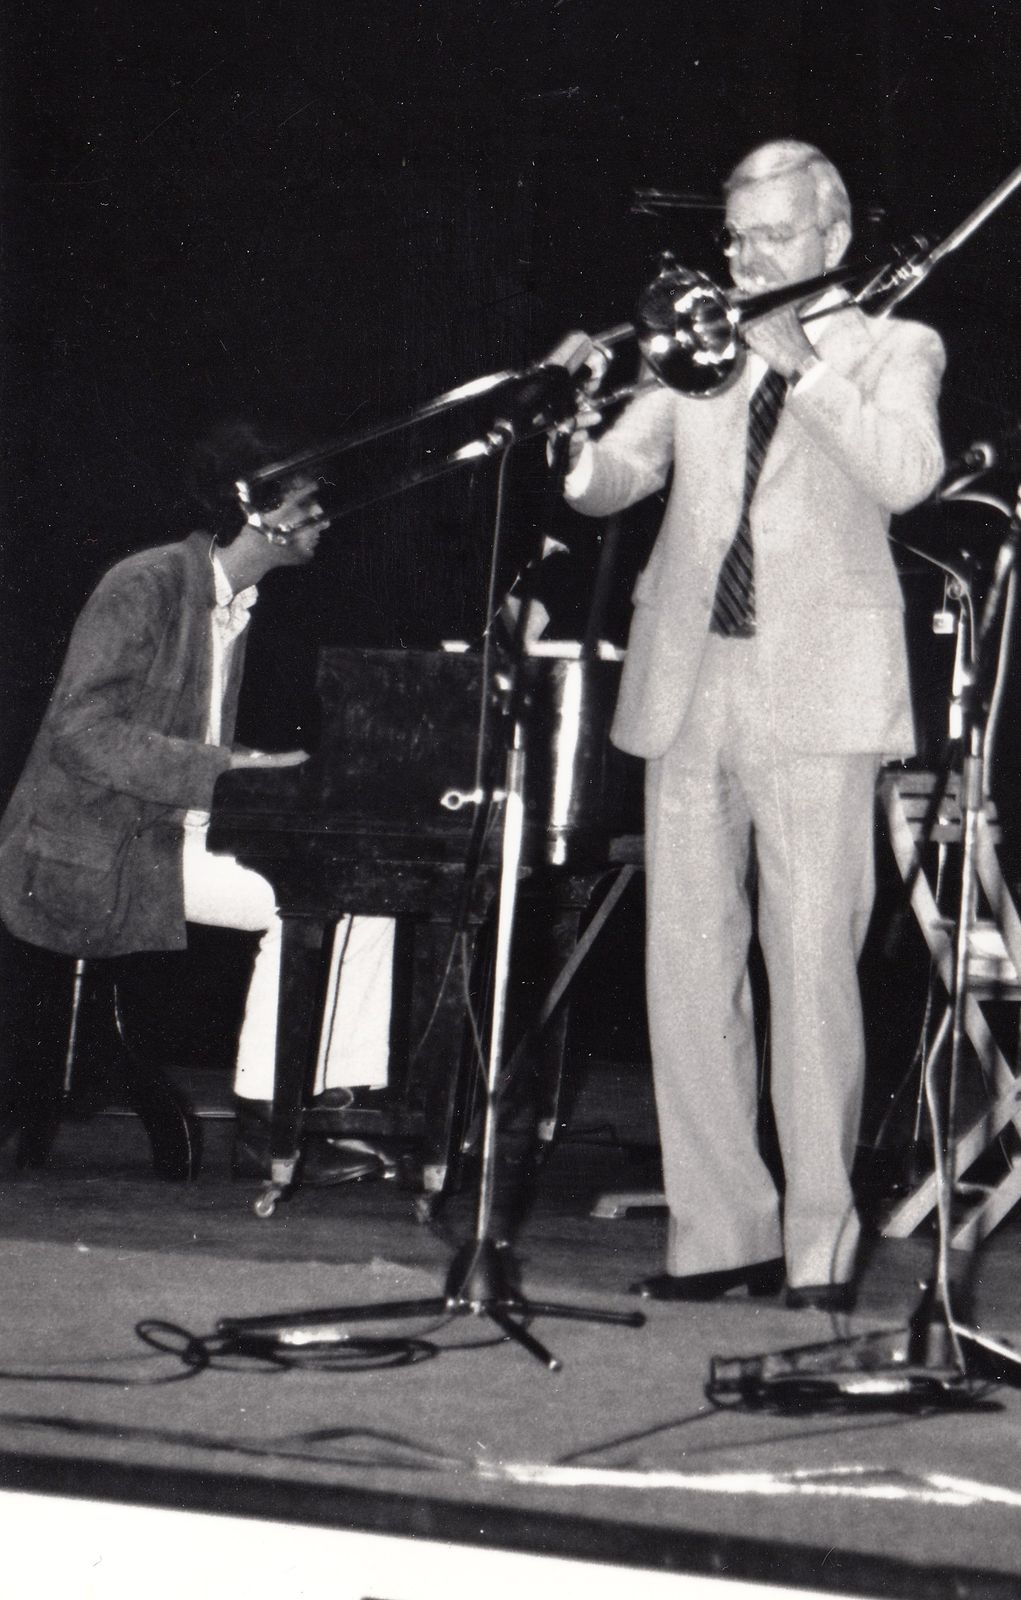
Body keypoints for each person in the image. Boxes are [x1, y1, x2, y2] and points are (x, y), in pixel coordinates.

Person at [563, 141, 946, 1309]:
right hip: (690, 683)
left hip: (819, 693)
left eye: (774, 237)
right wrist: (572, 429)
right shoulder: (700, 355)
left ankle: (819, 1246)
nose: (748, 260)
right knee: (685, 972)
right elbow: (616, 477)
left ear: (833, 238)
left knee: (811, 969)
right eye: (737, 238)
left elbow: (907, 474)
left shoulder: (894, 347)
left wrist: (807, 368)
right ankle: (717, 1232)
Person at [0, 422, 394, 1183]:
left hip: (162, 838)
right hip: (87, 850)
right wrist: (237, 766)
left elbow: (184, 750)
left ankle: (322, 1103)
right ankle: (271, 1125)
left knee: (365, 891)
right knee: (308, 900)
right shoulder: (145, 583)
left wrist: (262, 774)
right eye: (307, 502)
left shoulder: (231, 603)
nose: (323, 517)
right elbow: (82, 736)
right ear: (256, 511)